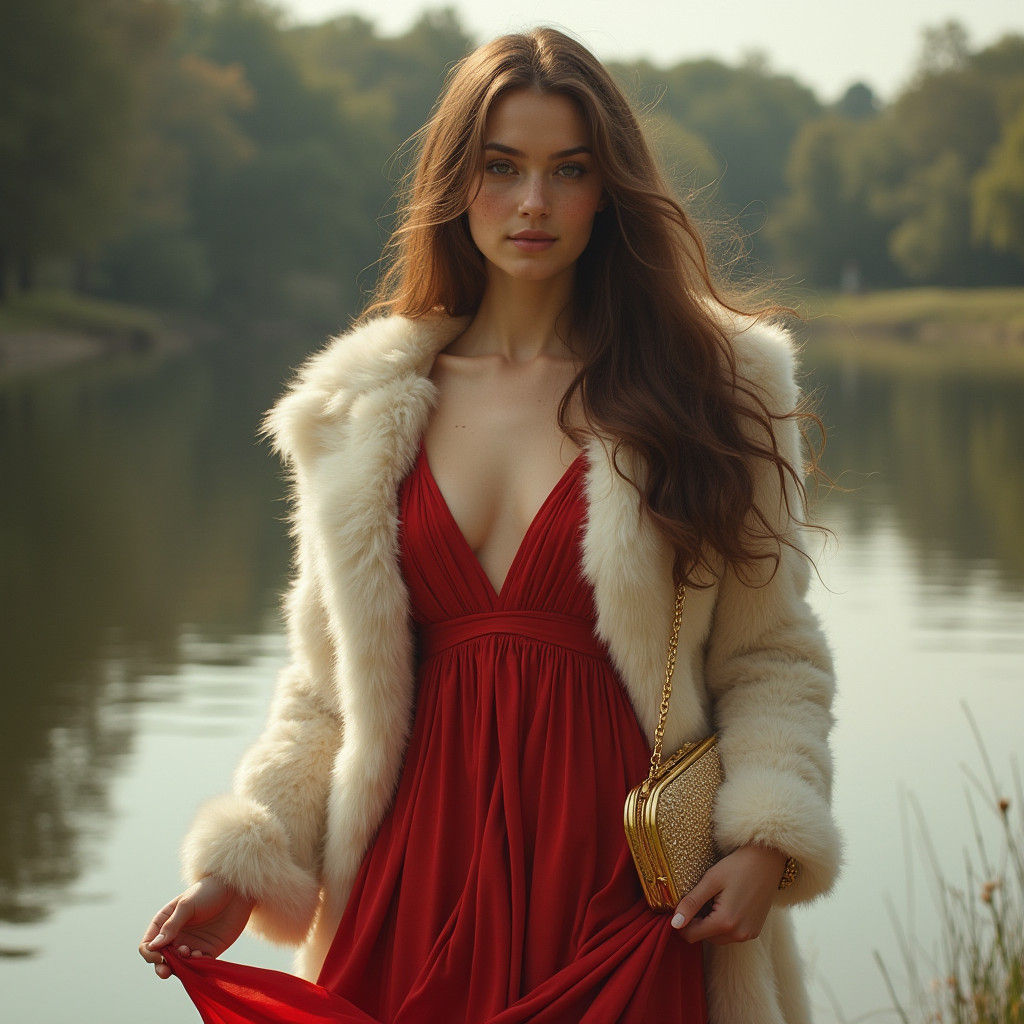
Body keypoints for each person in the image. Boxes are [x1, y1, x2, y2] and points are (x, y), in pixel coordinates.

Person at [138, 25, 841, 1024]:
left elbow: (772, 656)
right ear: (456, 180)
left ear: (609, 191)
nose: (533, 204)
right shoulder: (363, 406)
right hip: (408, 885)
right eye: (501, 167)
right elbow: (325, 688)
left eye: (570, 170)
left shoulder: (713, 387)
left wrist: (765, 841)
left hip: (623, 892)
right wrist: (247, 862)